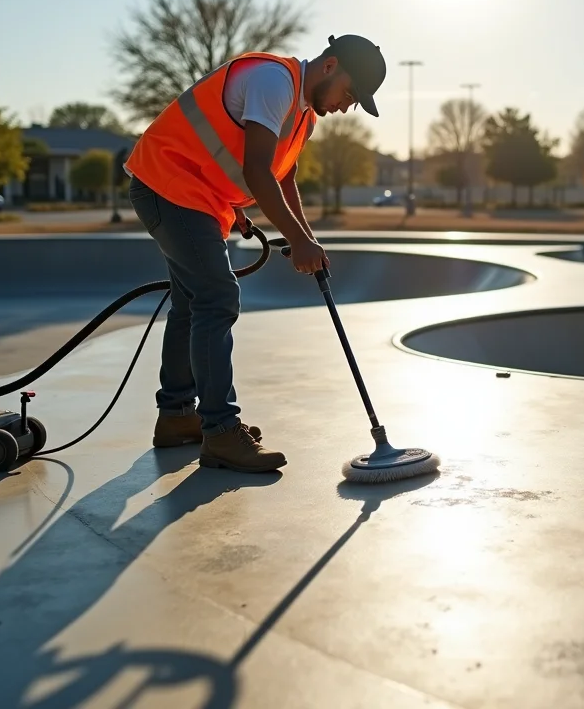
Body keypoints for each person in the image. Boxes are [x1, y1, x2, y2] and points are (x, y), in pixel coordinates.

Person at [123, 34, 387, 473]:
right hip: (167, 184)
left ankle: (177, 417)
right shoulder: (274, 82)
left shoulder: (303, 115)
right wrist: (297, 241)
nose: (345, 107)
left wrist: (306, 238)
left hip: (195, 195)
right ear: (329, 66)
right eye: (349, 93)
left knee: (192, 302)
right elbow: (256, 171)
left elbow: (283, 178)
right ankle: (221, 432)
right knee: (216, 297)